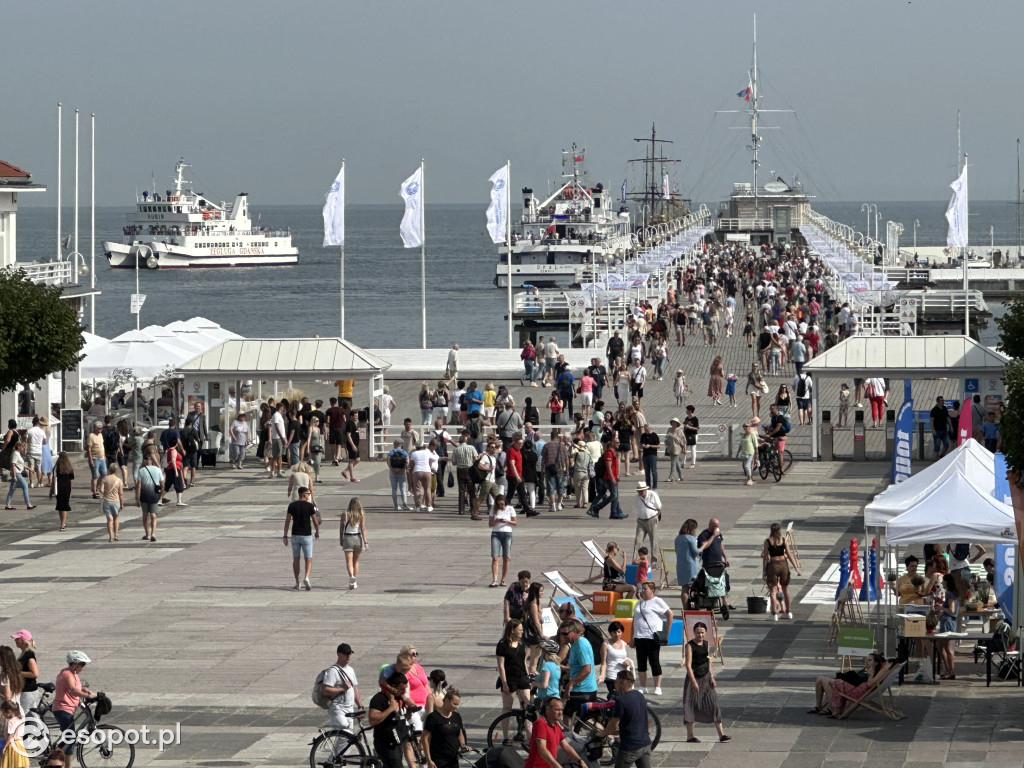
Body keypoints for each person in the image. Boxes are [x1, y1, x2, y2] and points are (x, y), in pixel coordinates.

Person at [683, 622, 728, 742]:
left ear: (706, 632)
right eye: (698, 632)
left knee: (713, 703)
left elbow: (708, 661)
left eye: (702, 632)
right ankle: (690, 735)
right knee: (690, 705)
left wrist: (712, 677)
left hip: (706, 677)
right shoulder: (689, 646)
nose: (700, 635)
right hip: (694, 677)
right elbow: (688, 665)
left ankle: (721, 734)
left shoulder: (706, 644)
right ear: (694, 632)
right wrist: (693, 682)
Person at [600, 669, 651, 767]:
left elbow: (613, 726)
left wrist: (601, 733)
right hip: (645, 743)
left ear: (623, 683)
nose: (614, 683)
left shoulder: (620, 700)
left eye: (616, 681)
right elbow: (643, 720)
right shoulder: (639, 695)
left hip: (630, 746)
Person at [52, 651, 95, 767]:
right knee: (70, 738)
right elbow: (72, 689)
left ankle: (62, 760)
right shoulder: (67, 674)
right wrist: (86, 696)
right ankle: (54, 757)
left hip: (68, 709)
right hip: (63, 709)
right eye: (81, 664)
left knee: (70, 738)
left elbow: (79, 688)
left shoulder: (74, 674)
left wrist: (87, 692)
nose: (82, 667)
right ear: (74, 663)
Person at [631, 582, 671, 696]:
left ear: (652, 590)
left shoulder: (657, 601)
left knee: (654, 661)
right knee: (641, 662)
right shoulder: (638, 603)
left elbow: (669, 614)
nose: (642, 591)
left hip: (652, 636)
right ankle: (643, 686)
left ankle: (657, 686)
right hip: (639, 636)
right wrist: (632, 637)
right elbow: (634, 621)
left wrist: (666, 633)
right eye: (642, 589)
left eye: (645, 589)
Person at [495, 620, 531, 743]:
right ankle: (506, 736)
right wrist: (504, 683)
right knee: (507, 707)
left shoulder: (521, 644)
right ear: (512, 630)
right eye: (519, 630)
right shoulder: (502, 645)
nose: (521, 632)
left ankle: (528, 735)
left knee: (527, 706)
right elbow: (501, 666)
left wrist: (528, 677)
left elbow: (524, 662)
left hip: (522, 677)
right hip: (509, 678)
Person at [524, 696, 583, 768]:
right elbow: (542, 750)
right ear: (547, 709)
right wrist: (557, 766)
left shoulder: (556, 725)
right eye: (557, 710)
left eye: (561, 710)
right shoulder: (540, 723)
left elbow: (566, 746)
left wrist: (580, 761)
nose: (560, 713)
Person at [368, 672, 412, 768]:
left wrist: (409, 710)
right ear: (393, 687)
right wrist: (390, 709)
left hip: (397, 741)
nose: (404, 692)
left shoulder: (399, 698)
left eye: (405, 688)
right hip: (386, 743)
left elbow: (404, 718)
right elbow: (372, 720)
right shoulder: (379, 698)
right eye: (402, 689)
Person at [762, 523, 801, 620]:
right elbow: (790, 554)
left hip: (773, 565)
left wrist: (764, 570)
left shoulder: (767, 541)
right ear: (779, 530)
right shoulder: (783, 540)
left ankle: (774, 613)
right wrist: (796, 567)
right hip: (783, 564)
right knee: (786, 590)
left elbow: (766, 557)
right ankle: (788, 611)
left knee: (773, 591)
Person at [561, 618, 599, 719]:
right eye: (561, 634)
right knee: (578, 719)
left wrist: (571, 683)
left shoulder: (581, 645)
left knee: (569, 716)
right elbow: (577, 667)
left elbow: (587, 669)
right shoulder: (574, 644)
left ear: (574, 632)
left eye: (565, 634)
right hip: (580, 688)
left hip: (583, 689)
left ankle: (605, 733)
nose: (562, 636)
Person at [284, 486, 319, 591]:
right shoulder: (309, 506)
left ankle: (297, 582)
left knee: (296, 559)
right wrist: (317, 531)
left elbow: (287, 521)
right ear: (303, 494)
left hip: (295, 535)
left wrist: (285, 535)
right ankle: (307, 577)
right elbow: (315, 521)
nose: (309, 495)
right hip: (307, 535)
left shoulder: (292, 506)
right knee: (308, 558)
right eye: (308, 493)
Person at [422, 687, 465, 768]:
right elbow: (424, 738)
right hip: (438, 759)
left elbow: (460, 733)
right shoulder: (433, 717)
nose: (456, 707)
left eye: (458, 704)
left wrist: (463, 745)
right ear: (446, 700)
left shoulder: (456, 716)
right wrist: (429, 760)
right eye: (454, 704)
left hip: (453, 760)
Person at [321, 643, 361, 731]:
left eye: (349, 654)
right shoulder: (333, 671)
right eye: (346, 654)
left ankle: (335, 746)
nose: (348, 657)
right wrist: (342, 688)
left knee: (346, 738)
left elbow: (354, 688)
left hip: (350, 707)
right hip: (337, 708)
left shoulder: (350, 670)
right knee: (346, 734)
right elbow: (325, 690)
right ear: (339, 654)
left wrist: (359, 705)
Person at [588, 434, 627, 520]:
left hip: (610, 477)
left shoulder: (613, 452)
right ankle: (599, 508)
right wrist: (613, 477)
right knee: (614, 495)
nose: (619, 444)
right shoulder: (609, 453)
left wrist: (617, 475)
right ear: (612, 443)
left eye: (619, 442)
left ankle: (615, 511)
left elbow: (615, 466)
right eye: (617, 442)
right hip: (608, 478)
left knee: (603, 494)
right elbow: (609, 467)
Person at [488, 495, 516, 588]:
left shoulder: (510, 508)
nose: (501, 506)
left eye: (502, 504)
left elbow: (515, 523)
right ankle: (495, 580)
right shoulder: (493, 509)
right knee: (495, 557)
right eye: (499, 504)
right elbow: (490, 524)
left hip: (507, 533)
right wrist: (496, 521)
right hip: (496, 533)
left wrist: (507, 521)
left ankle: (503, 579)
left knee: (506, 558)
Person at [341, 498, 368, 590]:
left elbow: (341, 528)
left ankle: (351, 575)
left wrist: (341, 539)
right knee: (355, 561)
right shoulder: (361, 514)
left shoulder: (345, 514)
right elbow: (363, 529)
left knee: (349, 561)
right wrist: (365, 542)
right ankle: (354, 580)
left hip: (347, 537)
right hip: (357, 538)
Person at [600, 622, 633, 696]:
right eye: (614, 632)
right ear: (610, 633)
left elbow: (625, 657)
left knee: (625, 697)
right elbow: (603, 663)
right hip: (612, 676)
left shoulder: (624, 644)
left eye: (619, 632)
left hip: (623, 675)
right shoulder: (606, 644)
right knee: (614, 696)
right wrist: (602, 675)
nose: (617, 634)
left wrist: (627, 662)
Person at [11, 630, 39, 714]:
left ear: (23, 640)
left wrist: (18, 673)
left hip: (28, 691)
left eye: (17, 639)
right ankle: (39, 727)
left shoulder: (29, 655)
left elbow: (34, 673)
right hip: (25, 690)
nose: (15, 641)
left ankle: (37, 727)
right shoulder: (23, 653)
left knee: (24, 715)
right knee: (33, 715)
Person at [937, 573, 959, 679]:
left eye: (943, 581)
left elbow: (951, 610)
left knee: (947, 648)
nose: (942, 583)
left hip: (948, 622)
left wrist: (941, 608)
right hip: (947, 621)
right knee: (941, 647)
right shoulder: (951, 594)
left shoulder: (950, 594)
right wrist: (941, 602)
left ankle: (950, 670)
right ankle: (948, 669)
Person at [137, 454, 163, 542]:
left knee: (145, 514)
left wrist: (137, 498)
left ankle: (147, 534)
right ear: (152, 461)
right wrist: (161, 495)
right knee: (153, 514)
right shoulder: (158, 470)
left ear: (144, 461)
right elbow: (162, 484)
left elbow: (138, 486)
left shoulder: (141, 471)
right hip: (154, 494)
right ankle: (153, 533)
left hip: (144, 495)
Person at [633, 481, 661, 560]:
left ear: (645, 490)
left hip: (651, 519)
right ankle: (635, 559)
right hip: (641, 521)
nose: (640, 493)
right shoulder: (637, 497)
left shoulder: (652, 495)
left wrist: (655, 518)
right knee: (638, 540)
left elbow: (659, 507)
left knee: (653, 540)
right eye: (639, 491)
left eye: (641, 491)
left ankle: (654, 560)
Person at [98, 464, 124, 543]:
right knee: (116, 518)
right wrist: (122, 503)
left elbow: (100, 489)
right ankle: (116, 534)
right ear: (116, 471)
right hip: (116, 501)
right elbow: (121, 494)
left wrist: (105, 493)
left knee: (109, 519)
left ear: (109, 469)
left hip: (107, 501)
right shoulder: (119, 480)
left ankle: (110, 537)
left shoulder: (105, 479)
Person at [342, 410, 361, 482]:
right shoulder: (349, 423)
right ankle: (352, 477)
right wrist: (352, 445)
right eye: (355, 416)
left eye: (357, 416)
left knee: (357, 459)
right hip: (351, 444)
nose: (357, 417)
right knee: (351, 460)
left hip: (355, 444)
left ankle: (345, 471)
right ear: (351, 416)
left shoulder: (354, 423)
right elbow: (348, 435)